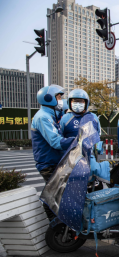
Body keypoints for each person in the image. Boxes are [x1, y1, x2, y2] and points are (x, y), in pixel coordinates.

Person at [32, 85, 75, 219]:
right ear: (49, 98)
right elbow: (55, 142)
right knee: (53, 196)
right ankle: (55, 226)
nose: (61, 100)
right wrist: (76, 139)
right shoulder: (43, 117)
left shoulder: (51, 115)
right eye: (58, 97)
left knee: (58, 193)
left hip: (55, 161)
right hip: (48, 162)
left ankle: (57, 224)